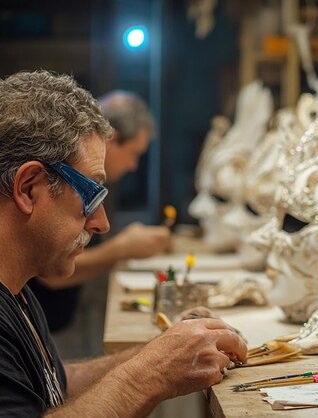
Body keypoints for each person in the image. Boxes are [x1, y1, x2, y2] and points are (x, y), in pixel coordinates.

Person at [0, 70, 247, 416]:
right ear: (28, 188)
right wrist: (146, 375)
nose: (101, 223)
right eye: (89, 194)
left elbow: (51, 385)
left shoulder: (16, 291)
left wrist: (161, 352)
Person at [29, 90, 171, 333]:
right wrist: (121, 248)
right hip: (39, 320)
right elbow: (49, 271)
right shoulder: (60, 183)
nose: (133, 166)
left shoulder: (83, 183)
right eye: (134, 154)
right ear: (112, 139)